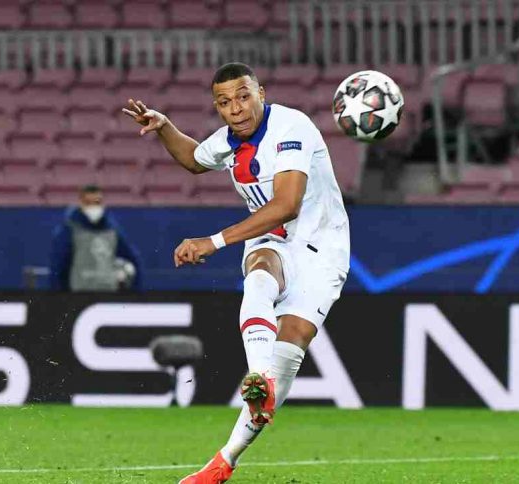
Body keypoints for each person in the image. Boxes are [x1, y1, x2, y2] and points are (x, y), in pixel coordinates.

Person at [122, 62, 350, 483]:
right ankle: (259, 377)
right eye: (225, 102)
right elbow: (194, 159)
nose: (237, 108)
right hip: (272, 241)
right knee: (260, 272)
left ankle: (225, 460)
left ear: (261, 93)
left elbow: (287, 205)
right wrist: (165, 126)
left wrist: (213, 241)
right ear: (218, 107)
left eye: (244, 96)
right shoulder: (228, 140)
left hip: (322, 249)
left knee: (291, 347)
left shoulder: (291, 127)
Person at [49, 184, 143, 292]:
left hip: (107, 293)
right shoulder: (69, 230)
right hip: (80, 293)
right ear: (81, 204)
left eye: (97, 202)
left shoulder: (112, 231)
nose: (93, 207)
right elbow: (58, 267)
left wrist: (135, 291)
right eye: (88, 202)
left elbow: (133, 259)